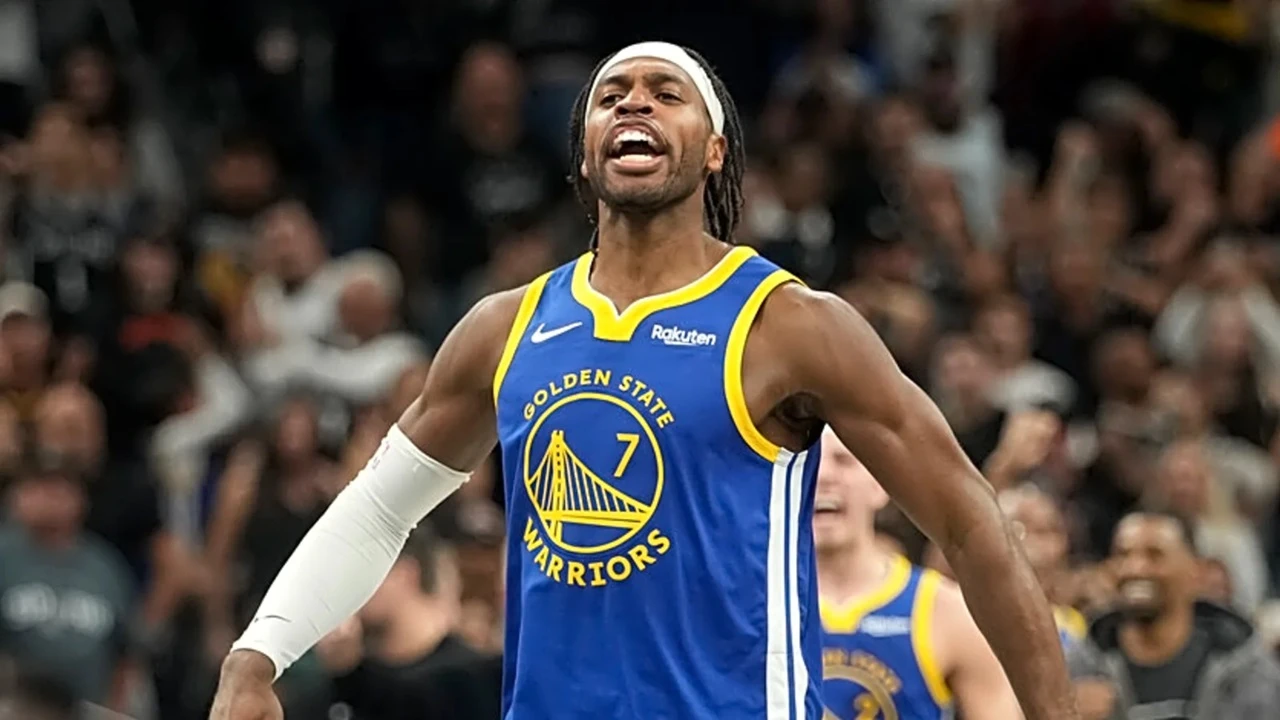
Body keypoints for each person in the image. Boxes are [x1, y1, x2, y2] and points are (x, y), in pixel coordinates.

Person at [211, 41, 1076, 720]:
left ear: (714, 151)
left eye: (667, 94)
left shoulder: (790, 325)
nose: (634, 103)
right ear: (586, 156)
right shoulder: (505, 329)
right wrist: (258, 654)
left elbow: (968, 524)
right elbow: (377, 509)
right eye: (611, 96)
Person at [815, 428, 1020, 720]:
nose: (823, 476)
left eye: (844, 461)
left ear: (879, 483)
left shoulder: (948, 611)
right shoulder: (755, 606)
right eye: (808, 464)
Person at [1066, 510, 1280, 719]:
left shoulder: (1247, 669)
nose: (1136, 568)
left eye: (1154, 555)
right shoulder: (1080, 668)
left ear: (1195, 570)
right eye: (1123, 555)